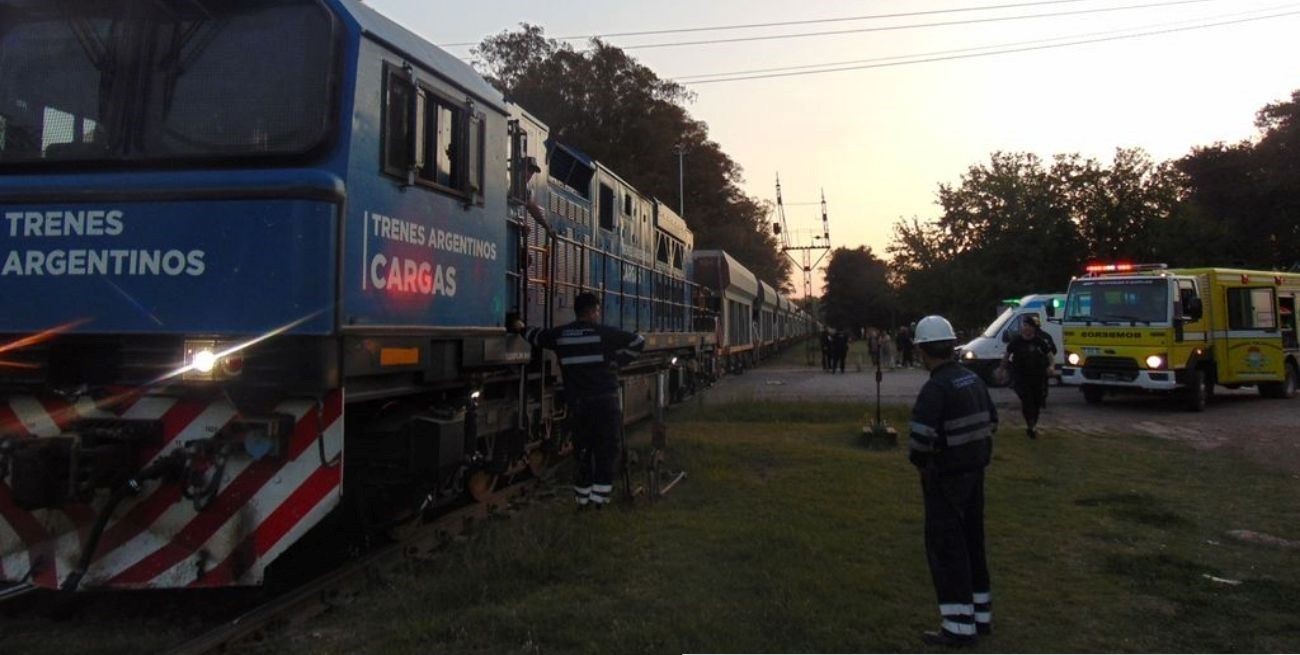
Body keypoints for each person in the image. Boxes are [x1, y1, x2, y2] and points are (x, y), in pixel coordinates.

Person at [907, 315, 997, 647]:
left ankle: (958, 627)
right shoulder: (972, 380)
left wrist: (924, 464)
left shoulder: (936, 388)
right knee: (973, 543)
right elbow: (992, 421)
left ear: (923, 350)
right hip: (975, 475)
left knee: (947, 549)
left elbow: (919, 441)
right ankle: (981, 616)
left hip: (944, 479)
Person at [511, 292, 644, 508]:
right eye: (598, 310)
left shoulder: (561, 335)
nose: (598, 314)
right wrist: (616, 362)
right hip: (605, 403)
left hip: (579, 404)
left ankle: (582, 501)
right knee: (606, 450)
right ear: (593, 311)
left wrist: (519, 327)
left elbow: (536, 336)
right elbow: (638, 341)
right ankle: (598, 502)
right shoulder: (604, 333)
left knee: (582, 451)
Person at [1000, 315, 1055, 439]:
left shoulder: (1039, 341)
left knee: (1036, 402)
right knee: (1027, 401)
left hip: (1037, 377)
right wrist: (1002, 370)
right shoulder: (1016, 341)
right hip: (1021, 377)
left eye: (1028, 326)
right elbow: (1006, 356)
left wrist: (1051, 366)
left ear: (1033, 329)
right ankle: (1031, 426)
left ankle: (1032, 424)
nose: (1025, 328)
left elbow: (1050, 355)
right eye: (1024, 326)